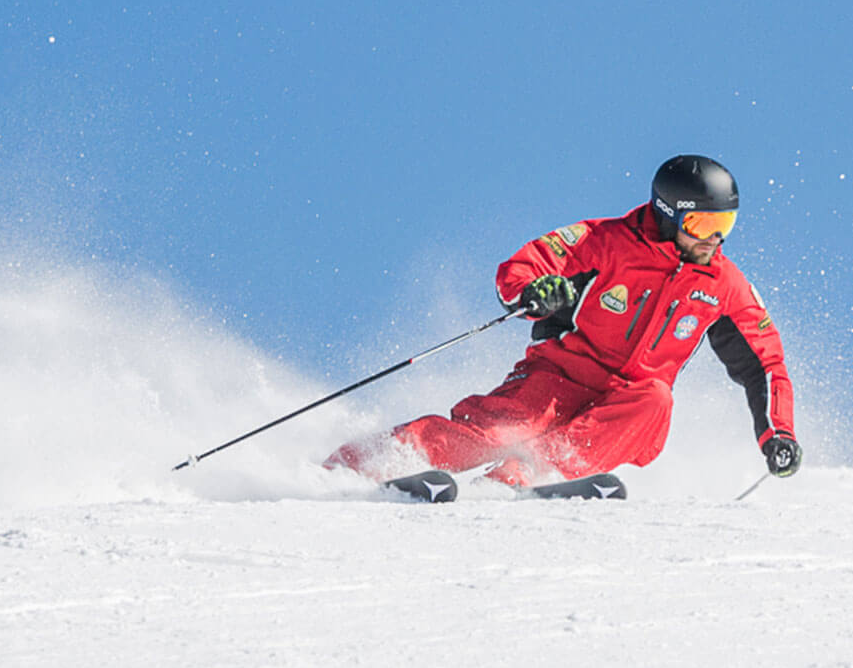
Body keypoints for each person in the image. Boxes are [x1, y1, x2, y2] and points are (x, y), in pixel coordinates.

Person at [324, 155, 802, 491]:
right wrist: (535, 291)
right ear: (669, 215)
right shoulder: (605, 242)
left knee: (655, 398)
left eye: (726, 226)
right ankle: (362, 463)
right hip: (558, 378)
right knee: (492, 434)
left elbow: (765, 364)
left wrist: (777, 433)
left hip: (627, 402)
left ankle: (528, 474)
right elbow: (525, 265)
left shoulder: (723, 283)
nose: (715, 240)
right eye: (703, 226)